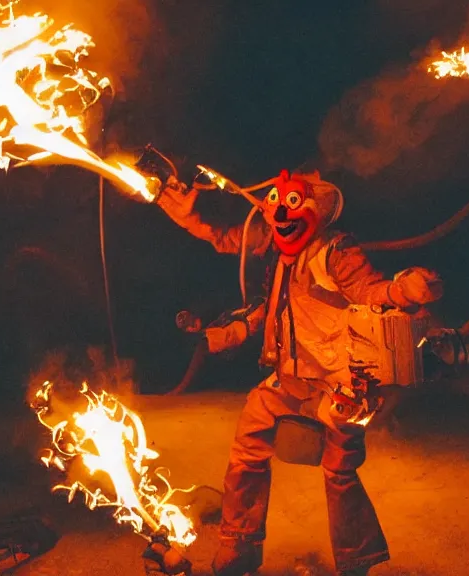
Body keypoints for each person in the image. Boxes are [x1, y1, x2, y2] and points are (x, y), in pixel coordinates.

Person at [156, 169, 443, 575]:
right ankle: (239, 546)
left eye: (291, 202)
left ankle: (356, 558)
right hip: (290, 377)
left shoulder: (335, 251)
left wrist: (404, 290)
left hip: (342, 382)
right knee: (248, 446)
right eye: (275, 201)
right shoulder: (275, 244)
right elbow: (225, 238)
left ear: (319, 209)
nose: (279, 212)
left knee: (339, 470)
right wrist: (188, 216)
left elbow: (368, 290)